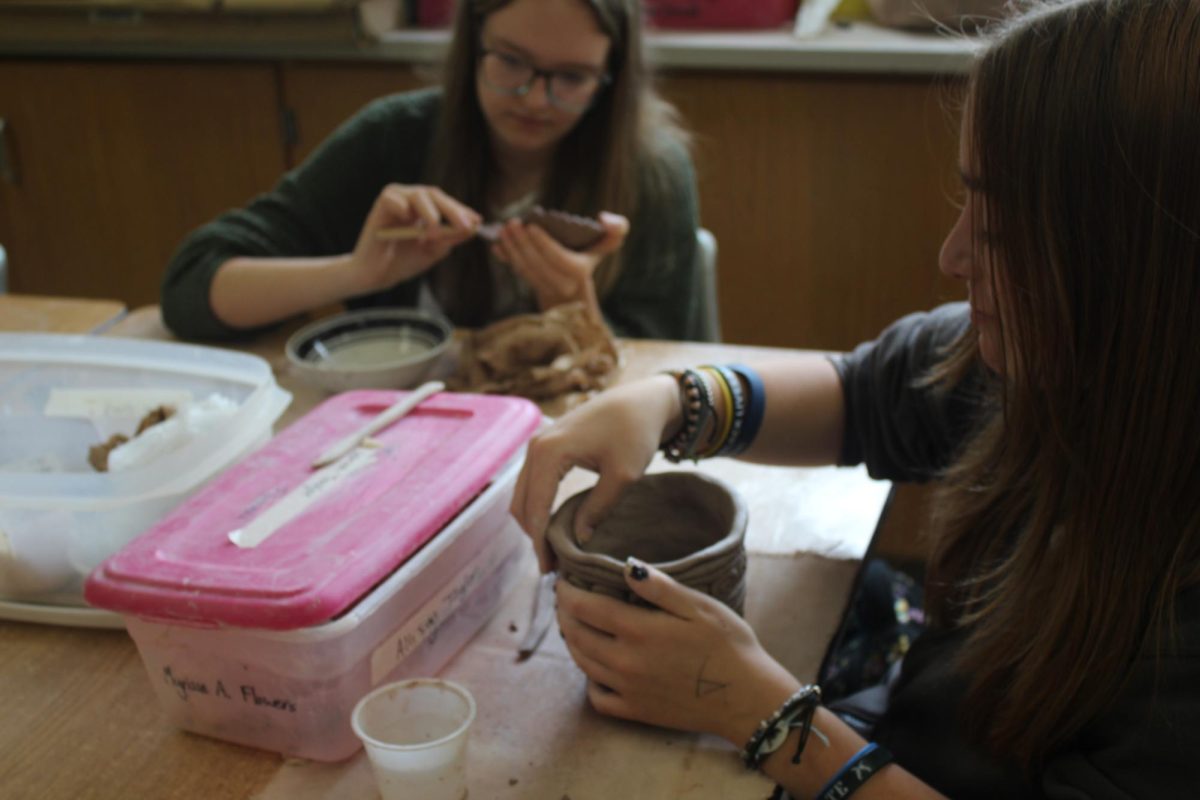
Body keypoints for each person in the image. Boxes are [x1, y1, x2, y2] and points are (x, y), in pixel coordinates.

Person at [509, 0, 1200, 796]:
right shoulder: (1056, 361)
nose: (952, 255)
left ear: (1146, 269)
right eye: (968, 199)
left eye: (1005, 230)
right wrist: (669, 402)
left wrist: (764, 715)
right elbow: (859, 393)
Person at [161, 0, 704, 342]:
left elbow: (665, 383)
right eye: (510, 61)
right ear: (472, 45)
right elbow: (191, 289)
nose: (535, 99)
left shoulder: (650, 171)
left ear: (611, 78)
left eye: (572, 77)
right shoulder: (393, 137)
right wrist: (356, 272)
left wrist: (574, 314)